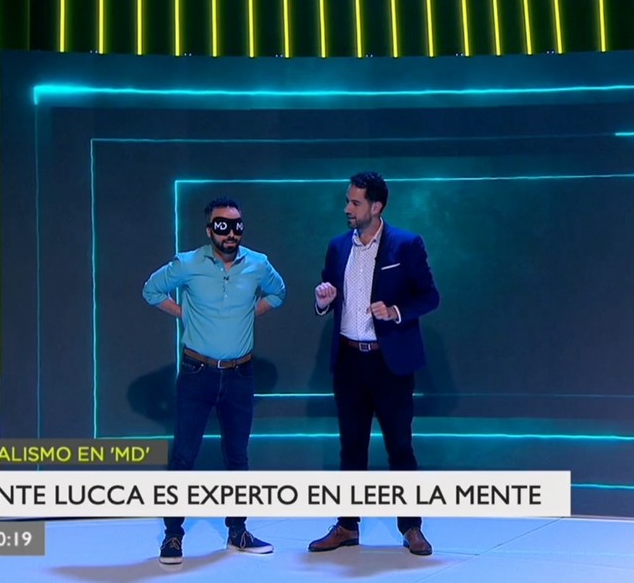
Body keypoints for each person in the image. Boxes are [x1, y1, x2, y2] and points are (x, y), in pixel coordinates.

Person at [142, 197, 286, 565]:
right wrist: (184, 314)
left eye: (237, 225)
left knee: (237, 457)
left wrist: (250, 313)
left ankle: (238, 531)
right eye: (223, 226)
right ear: (210, 230)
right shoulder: (188, 263)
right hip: (197, 373)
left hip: (240, 375)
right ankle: (173, 535)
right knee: (184, 457)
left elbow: (278, 292)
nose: (231, 233)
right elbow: (151, 291)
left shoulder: (258, 264)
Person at [309, 172, 440, 556]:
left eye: (355, 202)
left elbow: (429, 296)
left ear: (376, 206)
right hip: (349, 361)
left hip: (389, 364)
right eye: (347, 201)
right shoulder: (337, 247)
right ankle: (347, 526)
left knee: (400, 447)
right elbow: (329, 294)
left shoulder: (406, 244)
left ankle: (411, 527)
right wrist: (323, 300)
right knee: (351, 448)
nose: (347, 208)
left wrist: (396, 311)